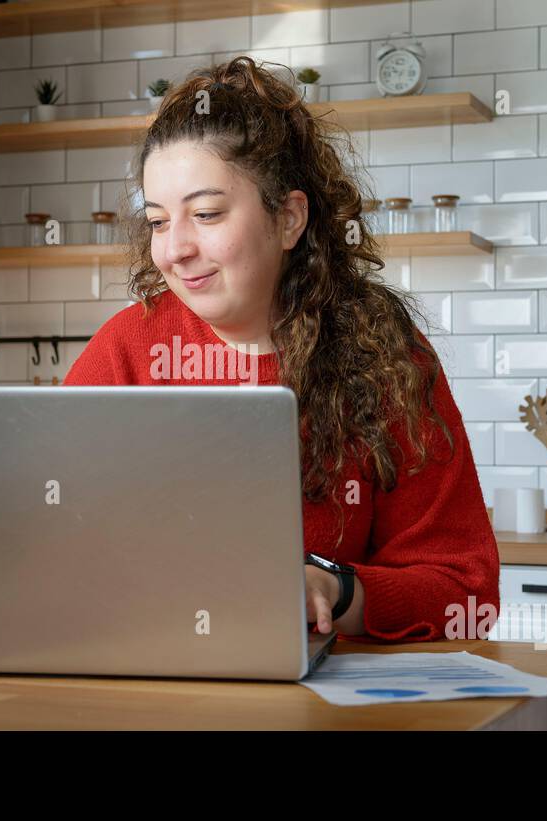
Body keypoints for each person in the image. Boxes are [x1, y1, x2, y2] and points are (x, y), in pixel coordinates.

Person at [64, 57, 499, 643]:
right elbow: (43, 543)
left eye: (207, 213)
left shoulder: (383, 354)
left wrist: (334, 589)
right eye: (159, 222)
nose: (175, 250)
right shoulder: (125, 349)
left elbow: (466, 591)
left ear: (290, 218)